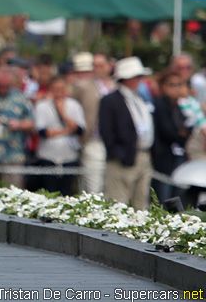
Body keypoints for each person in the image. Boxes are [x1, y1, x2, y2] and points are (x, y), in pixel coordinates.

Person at [99, 56, 154, 210]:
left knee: (141, 204)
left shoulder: (139, 99)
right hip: (123, 158)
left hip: (143, 156)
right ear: (128, 78)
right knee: (117, 204)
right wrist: (119, 153)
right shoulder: (110, 101)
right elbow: (107, 131)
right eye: (138, 77)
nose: (140, 80)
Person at [31, 76, 85, 195]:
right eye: (56, 89)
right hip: (48, 156)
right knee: (49, 192)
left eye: (62, 89)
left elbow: (80, 130)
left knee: (67, 192)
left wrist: (63, 114)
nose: (59, 93)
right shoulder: (42, 106)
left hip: (69, 156)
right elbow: (43, 132)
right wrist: (67, 130)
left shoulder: (74, 105)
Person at [70, 52, 111, 194]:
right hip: (93, 139)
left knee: (110, 186)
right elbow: (72, 107)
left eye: (101, 65)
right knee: (94, 186)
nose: (98, 68)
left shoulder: (115, 85)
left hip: (112, 142)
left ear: (108, 66)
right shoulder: (83, 86)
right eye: (95, 65)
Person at [151, 69, 195, 203]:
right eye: (172, 85)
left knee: (179, 197)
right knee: (164, 198)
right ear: (162, 86)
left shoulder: (182, 105)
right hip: (164, 157)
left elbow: (191, 126)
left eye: (179, 85)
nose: (176, 89)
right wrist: (181, 134)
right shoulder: (160, 104)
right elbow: (168, 131)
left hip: (180, 155)